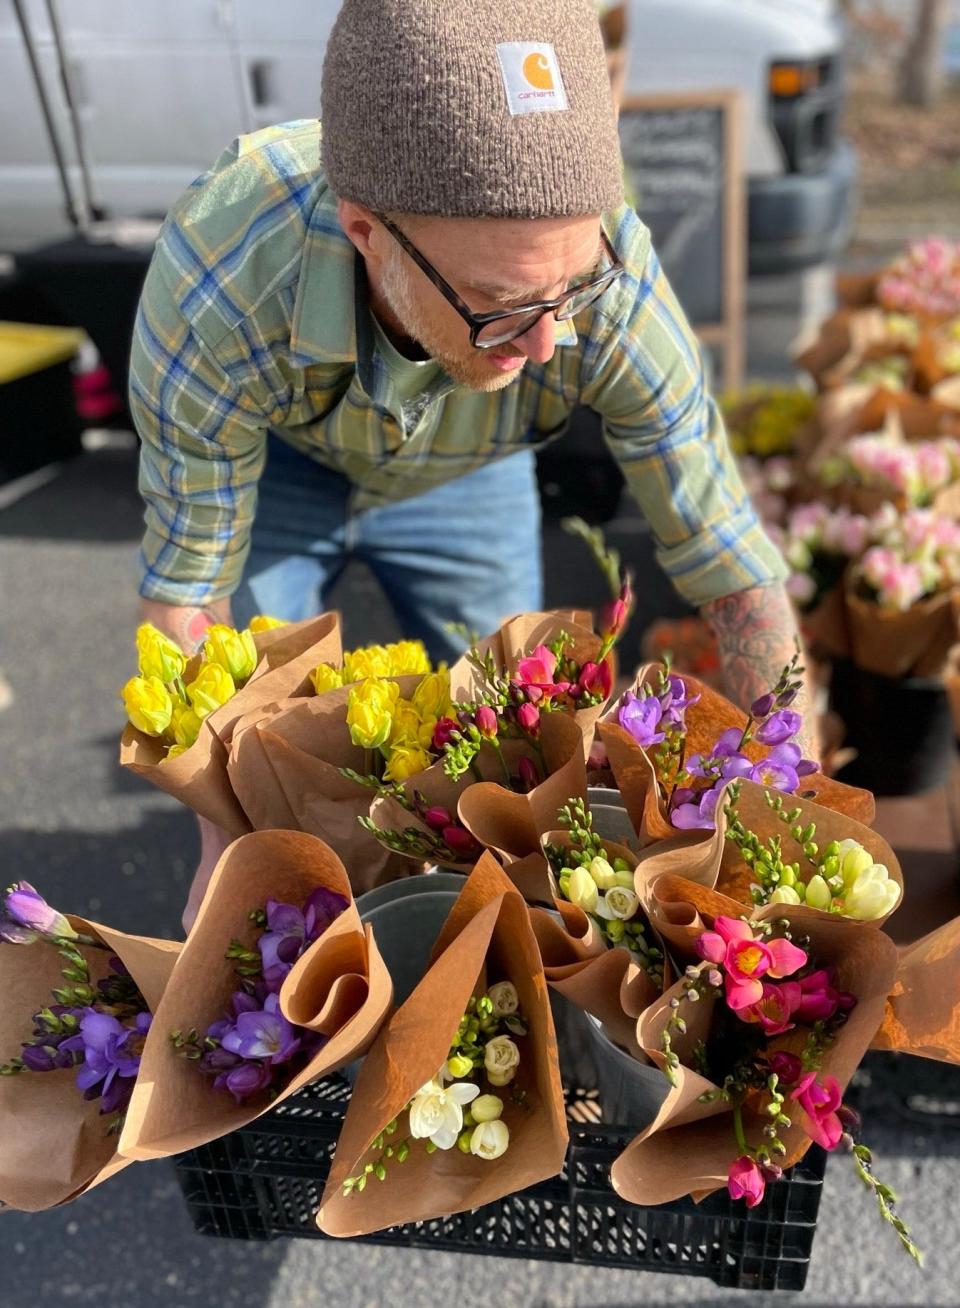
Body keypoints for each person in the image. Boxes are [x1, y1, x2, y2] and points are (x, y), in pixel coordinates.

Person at [129, 0, 814, 930]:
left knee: (516, 769)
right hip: (278, 472)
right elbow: (191, 578)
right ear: (367, 231)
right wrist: (225, 829)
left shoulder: (600, 279)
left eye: (568, 293)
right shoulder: (225, 270)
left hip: (465, 471)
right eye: (498, 305)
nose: (545, 344)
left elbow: (729, 558)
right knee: (279, 787)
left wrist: (786, 787)